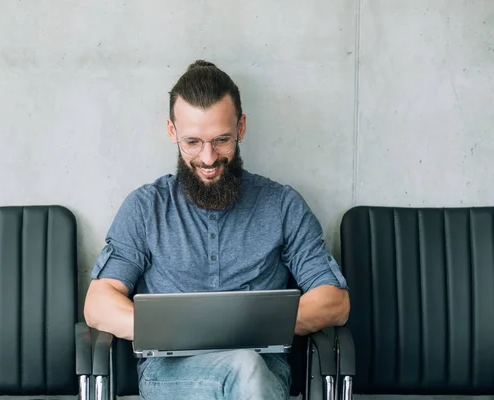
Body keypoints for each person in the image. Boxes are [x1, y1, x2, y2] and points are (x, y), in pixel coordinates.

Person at [84, 60, 350, 400]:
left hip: (264, 373)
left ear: (240, 127)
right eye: (192, 142)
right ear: (171, 131)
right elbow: (98, 304)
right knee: (243, 367)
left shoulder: (282, 205)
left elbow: (334, 302)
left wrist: (245, 330)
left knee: (246, 366)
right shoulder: (145, 207)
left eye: (221, 140)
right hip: (171, 374)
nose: (208, 158)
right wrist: (184, 331)